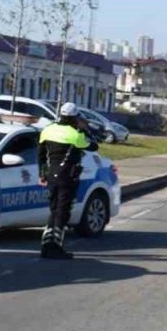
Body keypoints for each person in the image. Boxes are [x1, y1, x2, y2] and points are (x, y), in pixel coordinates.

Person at [37, 102, 98, 259]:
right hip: (68, 175)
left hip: (51, 174)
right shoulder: (75, 135)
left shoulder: (47, 130)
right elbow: (94, 146)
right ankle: (56, 246)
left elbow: (41, 156)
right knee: (63, 210)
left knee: (54, 208)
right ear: (74, 117)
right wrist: (85, 129)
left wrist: (42, 175)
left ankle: (46, 245)